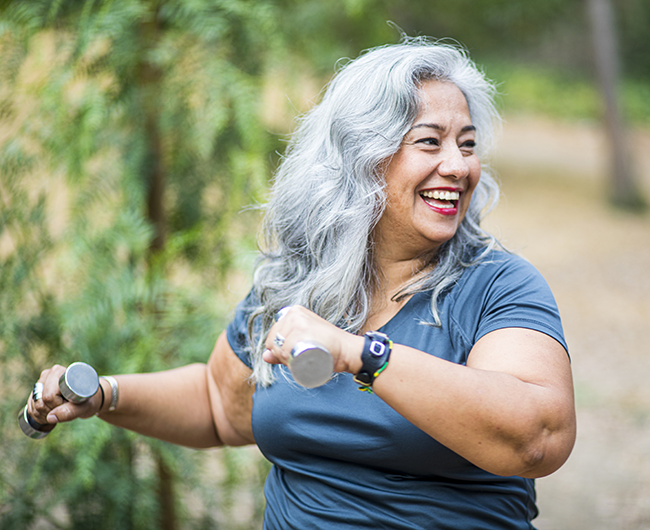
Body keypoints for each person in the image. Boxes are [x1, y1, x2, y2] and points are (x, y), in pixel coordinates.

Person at [28, 37, 576, 529]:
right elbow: (220, 405)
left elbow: (537, 438)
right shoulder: (297, 281)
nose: (459, 166)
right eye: (429, 142)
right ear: (362, 157)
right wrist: (104, 395)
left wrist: (363, 355)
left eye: (468, 144)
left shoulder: (498, 287)